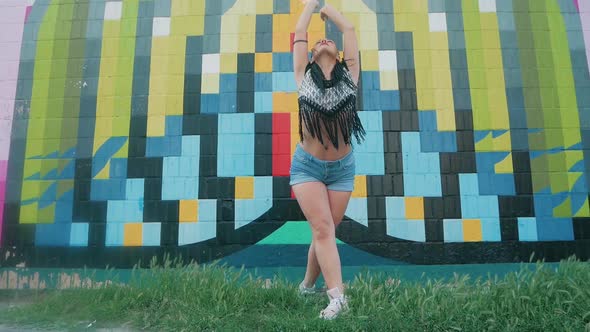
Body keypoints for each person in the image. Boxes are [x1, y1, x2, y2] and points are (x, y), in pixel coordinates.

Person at [290, 0, 365, 320]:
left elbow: (348, 29)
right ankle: (338, 298)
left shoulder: (351, 77)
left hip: (341, 169)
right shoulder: (302, 77)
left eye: (328, 41)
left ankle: (307, 286)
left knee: (325, 233)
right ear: (309, 55)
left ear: (339, 55)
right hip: (307, 166)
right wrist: (309, 6)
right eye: (318, 42)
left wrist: (329, 10)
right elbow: (299, 31)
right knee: (323, 230)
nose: (323, 41)